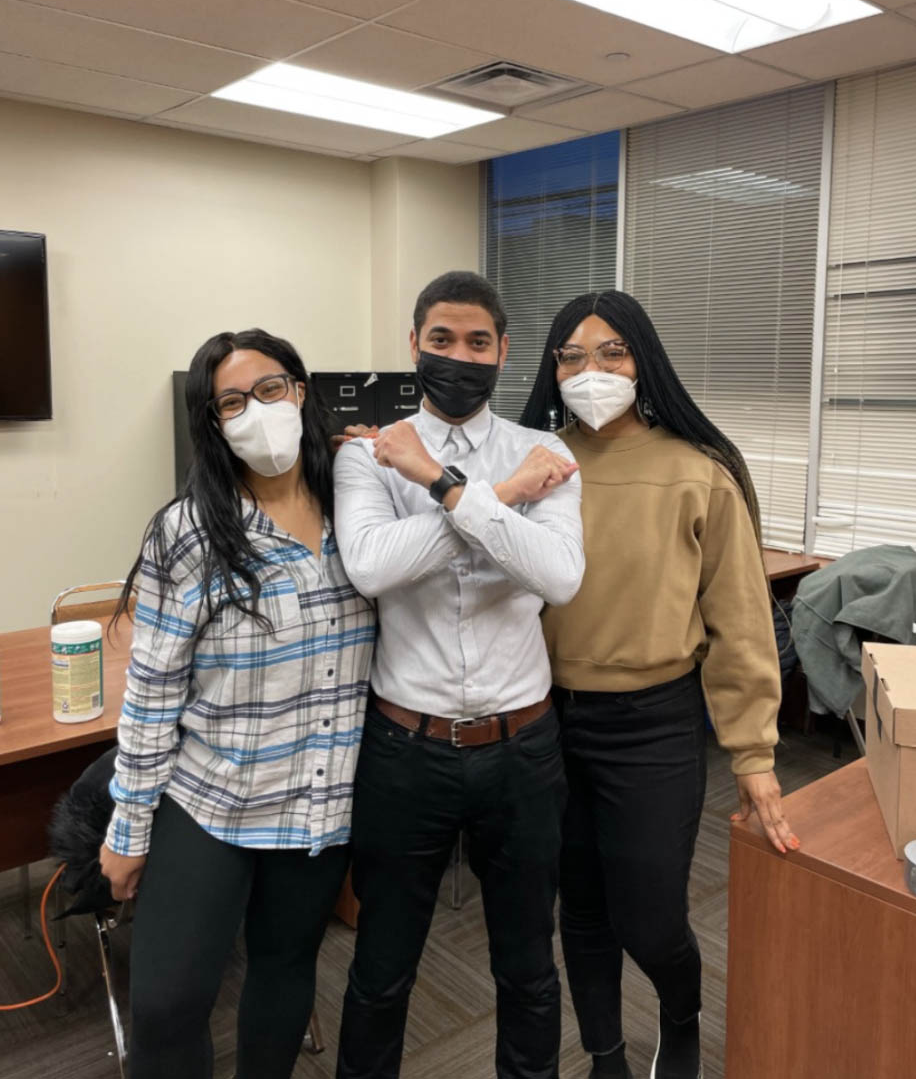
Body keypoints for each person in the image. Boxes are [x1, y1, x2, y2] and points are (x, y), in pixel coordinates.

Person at [520, 291, 800, 1079]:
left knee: (650, 916)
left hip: (654, 724)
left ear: (644, 361)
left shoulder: (696, 471)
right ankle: (605, 1053)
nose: (590, 371)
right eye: (571, 357)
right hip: (548, 720)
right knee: (579, 907)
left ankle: (680, 1019)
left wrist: (754, 754)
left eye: (612, 352)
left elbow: (741, 623)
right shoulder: (535, 468)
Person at [99, 328, 375, 1079]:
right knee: (166, 1005)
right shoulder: (187, 533)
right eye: (231, 401)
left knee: (285, 975)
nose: (257, 410)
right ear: (211, 424)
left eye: (271, 388)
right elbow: (152, 694)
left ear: (301, 390)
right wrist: (127, 828)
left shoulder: (361, 514)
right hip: (211, 802)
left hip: (318, 806)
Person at [332, 271, 585, 1079]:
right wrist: (499, 501)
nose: (459, 356)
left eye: (478, 342)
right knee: (382, 966)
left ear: (504, 352)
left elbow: (558, 575)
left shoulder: (545, 455)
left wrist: (442, 486)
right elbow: (373, 566)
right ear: (414, 344)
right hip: (407, 750)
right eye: (442, 339)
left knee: (528, 964)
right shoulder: (371, 455)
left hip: (523, 747)